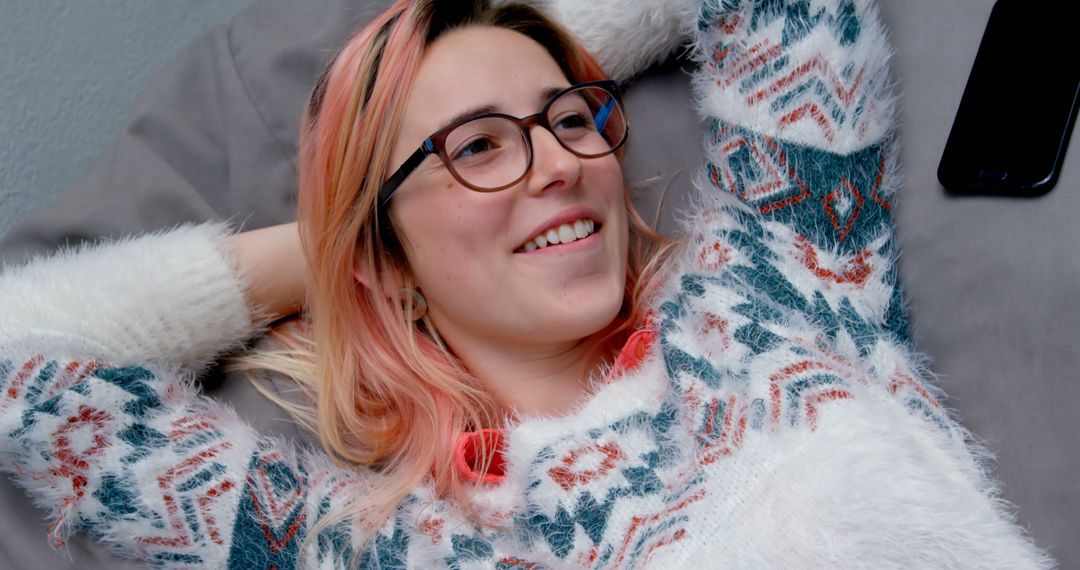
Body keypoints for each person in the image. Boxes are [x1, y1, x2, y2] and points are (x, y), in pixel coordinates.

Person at [0, 0, 1054, 567]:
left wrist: (509, 42)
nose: (555, 163)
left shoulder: (782, 279)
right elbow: (17, 351)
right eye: (479, 148)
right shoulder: (380, 546)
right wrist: (332, 239)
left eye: (567, 119)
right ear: (385, 258)